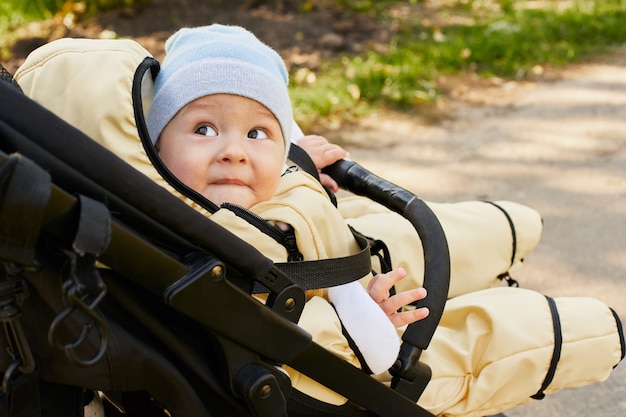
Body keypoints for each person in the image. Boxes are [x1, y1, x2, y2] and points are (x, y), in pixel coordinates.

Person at [14, 27, 624, 417]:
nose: (233, 151)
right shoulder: (202, 234)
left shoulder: (165, 197)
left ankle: (511, 230)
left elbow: (266, 151)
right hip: (319, 349)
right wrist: (368, 326)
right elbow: (337, 344)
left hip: (323, 270)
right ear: (155, 142)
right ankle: (594, 330)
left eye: (258, 134)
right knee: (484, 339)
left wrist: (298, 163)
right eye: (203, 129)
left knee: (421, 233)